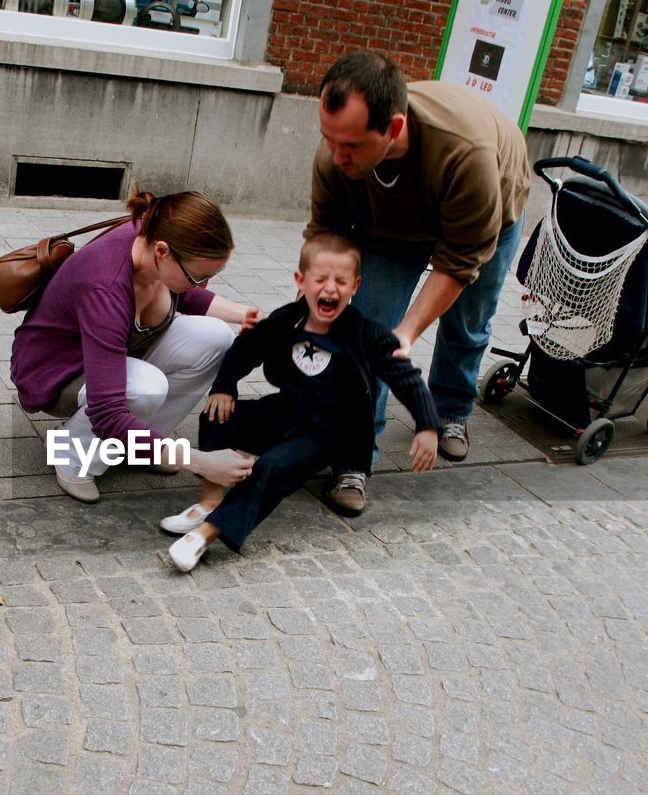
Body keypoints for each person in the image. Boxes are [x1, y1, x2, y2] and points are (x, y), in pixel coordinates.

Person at [307, 50, 531, 514]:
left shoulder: (465, 152)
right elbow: (325, 239)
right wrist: (316, 303)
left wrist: (408, 333)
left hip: (488, 210)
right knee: (369, 331)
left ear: (392, 128)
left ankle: (452, 410)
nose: (336, 155)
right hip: (389, 225)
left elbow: (459, 262)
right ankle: (355, 458)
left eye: (349, 145)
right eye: (329, 139)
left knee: (468, 320)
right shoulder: (337, 157)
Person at [159, 233, 441, 572]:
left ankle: (208, 532)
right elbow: (246, 349)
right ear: (301, 281)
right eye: (320, 279)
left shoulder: (364, 333)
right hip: (284, 412)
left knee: (271, 467)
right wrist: (225, 386)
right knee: (217, 415)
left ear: (356, 286)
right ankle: (210, 501)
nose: (330, 288)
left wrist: (427, 425)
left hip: (327, 432)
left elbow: (404, 375)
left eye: (341, 281)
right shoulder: (287, 318)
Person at [10, 189, 259, 503]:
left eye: (211, 275)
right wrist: (198, 461)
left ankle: (136, 448)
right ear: (163, 251)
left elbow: (185, 291)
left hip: (115, 348)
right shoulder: (105, 287)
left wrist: (249, 316)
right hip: (57, 371)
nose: (202, 285)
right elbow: (107, 411)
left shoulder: (153, 233)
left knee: (218, 339)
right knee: (145, 387)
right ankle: (72, 457)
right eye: (198, 275)